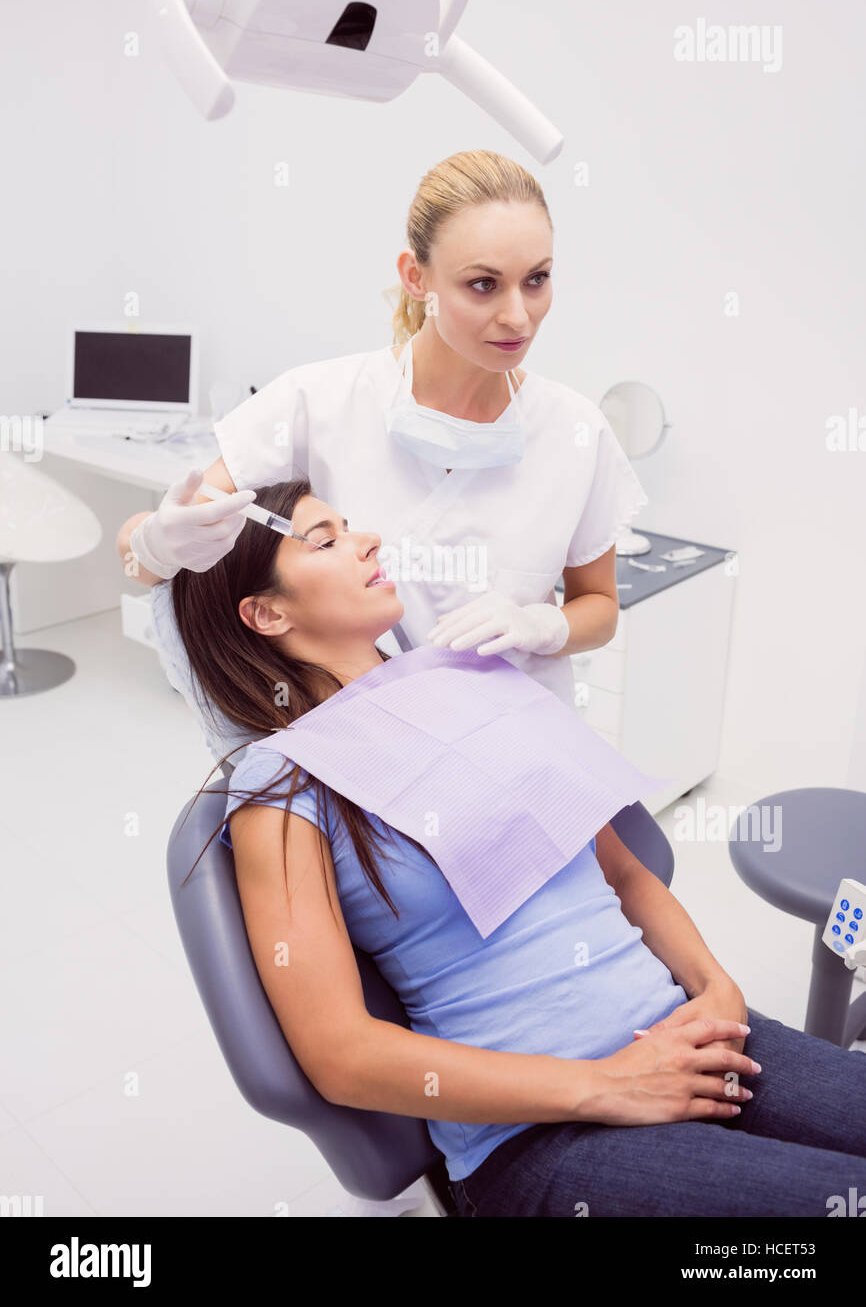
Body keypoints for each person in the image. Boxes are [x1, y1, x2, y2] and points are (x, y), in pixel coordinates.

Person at [169, 477, 866, 1218]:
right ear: (266, 612)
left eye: (351, 525)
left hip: (687, 1034)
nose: (365, 539)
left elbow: (625, 875)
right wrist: (608, 1085)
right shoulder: (280, 786)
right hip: (540, 1138)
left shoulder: (473, 679)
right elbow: (340, 1054)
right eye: (325, 539)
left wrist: (717, 991)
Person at [115, 148, 647, 764]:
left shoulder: (576, 430)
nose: (518, 315)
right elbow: (140, 556)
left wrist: (545, 627)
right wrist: (154, 545)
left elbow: (599, 608)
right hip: (366, 763)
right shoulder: (316, 402)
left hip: (520, 754)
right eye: (482, 284)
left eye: (538, 278)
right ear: (416, 278)